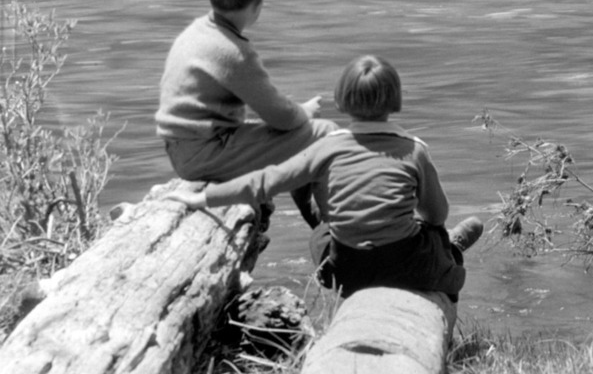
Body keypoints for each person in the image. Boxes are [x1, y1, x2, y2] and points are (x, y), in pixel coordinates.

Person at [169, 52, 483, 303]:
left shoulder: (326, 147)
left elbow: (265, 181)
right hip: (405, 268)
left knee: (321, 235)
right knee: (433, 233)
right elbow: (437, 214)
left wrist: (203, 197)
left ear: (341, 101)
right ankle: (451, 253)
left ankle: (338, 231)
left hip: (345, 272)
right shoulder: (414, 150)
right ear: (396, 101)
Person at [157, 0, 335, 229]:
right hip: (205, 153)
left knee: (299, 135)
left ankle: (315, 216)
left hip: (185, 148)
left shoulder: (197, 31)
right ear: (257, 5)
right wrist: (304, 111)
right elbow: (281, 116)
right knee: (326, 134)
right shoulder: (232, 52)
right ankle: (337, 231)